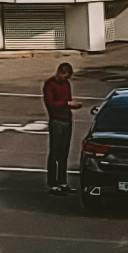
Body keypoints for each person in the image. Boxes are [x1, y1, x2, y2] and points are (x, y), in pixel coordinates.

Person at [41, 57, 79, 191]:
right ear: (60, 72)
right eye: (64, 75)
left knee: (64, 152)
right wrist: (67, 104)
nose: (65, 78)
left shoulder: (66, 84)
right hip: (56, 120)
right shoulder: (50, 85)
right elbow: (51, 104)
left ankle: (62, 181)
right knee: (55, 152)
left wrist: (70, 105)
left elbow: (67, 98)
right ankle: (52, 182)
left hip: (66, 119)